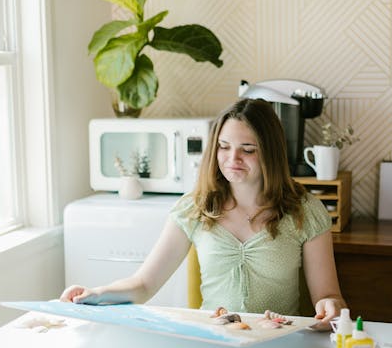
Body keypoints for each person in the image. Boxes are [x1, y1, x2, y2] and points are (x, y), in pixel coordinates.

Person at [60, 98, 347, 327]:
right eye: (224, 146)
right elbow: (144, 284)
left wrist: (330, 306)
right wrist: (95, 294)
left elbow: (329, 296)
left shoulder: (305, 211)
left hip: (280, 342)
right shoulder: (194, 208)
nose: (231, 159)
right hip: (214, 341)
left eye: (247, 149)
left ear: (270, 153)